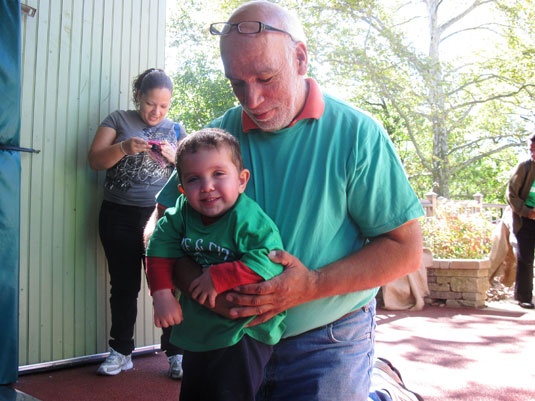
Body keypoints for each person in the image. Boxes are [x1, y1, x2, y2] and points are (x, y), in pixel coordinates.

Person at [148, 2, 425, 400]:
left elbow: (406, 249)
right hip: (224, 338)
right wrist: (198, 286)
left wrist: (309, 286)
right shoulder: (216, 136)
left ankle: (381, 389)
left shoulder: (358, 133)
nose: (252, 99)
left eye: (265, 77)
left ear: (300, 58)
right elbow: (160, 225)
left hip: (327, 336)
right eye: (237, 84)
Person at [146, 128, 286, 401]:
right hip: (199, 327)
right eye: (194, 179)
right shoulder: (182, 214)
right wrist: (161, 293)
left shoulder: (247, 218)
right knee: (194, 392)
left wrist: (219, 276)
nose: (207, 186)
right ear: (182, 189)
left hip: (243, 333)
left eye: (218, 174)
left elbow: (269, 259)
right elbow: (159, 245)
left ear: (242, 180)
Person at [88, 68, 185, 378]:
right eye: (149, 104)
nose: (156, 112)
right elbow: (95, 160)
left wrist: (176, 158)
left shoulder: (176, 129)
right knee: (125, 285)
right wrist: (123, 148)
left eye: (163, 106)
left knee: (167, 286)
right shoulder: (118, 119)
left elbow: (194, 172)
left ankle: (176, 354)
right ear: (137, 98)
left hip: (161, 216)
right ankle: (121, 352)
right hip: (118, 214)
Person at [506, 133, 535, 309]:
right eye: (531, 149)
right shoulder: (524, 167)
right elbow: (511, 193)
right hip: (526, 221)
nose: (533, 152)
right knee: (525, 258)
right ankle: (524, 297)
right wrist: (526, 211)